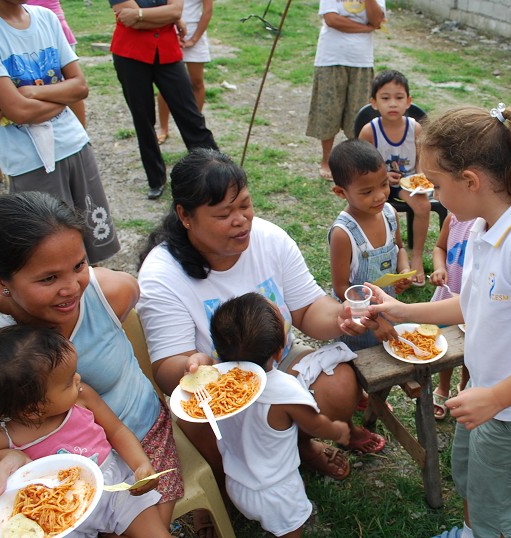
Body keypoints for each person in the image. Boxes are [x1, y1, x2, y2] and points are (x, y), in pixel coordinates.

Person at [365, 105, 511, 537]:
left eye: (436, 184)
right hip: (487, 395)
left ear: (470, 181)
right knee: (470, 478)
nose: (432, 195)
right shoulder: (487, 226)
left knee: (495, 507)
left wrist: (498, 398)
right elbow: (470, 305)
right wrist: (401, 311)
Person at [136, 148, 386, 484]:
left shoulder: (268, 239)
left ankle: (300, 446)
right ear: (185, 215)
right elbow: (165, 371)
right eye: (224, 214)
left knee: (341, 385)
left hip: (277, 364)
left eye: (244, 205)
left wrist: (340, 315)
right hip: (220, 390)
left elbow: (308, 308)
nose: (241, 220)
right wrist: (191, 364)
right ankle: (227, 489)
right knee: (201, 429)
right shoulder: (162, 274)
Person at [0, 191, 183, 528]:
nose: (72, 287)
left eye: (79, 265)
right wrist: (9, 456)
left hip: (142, 438)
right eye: (49, 278)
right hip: (56, 471)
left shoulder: (112, 293)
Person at [0, 325, 171, 538]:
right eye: (69, 381)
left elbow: (117, 431)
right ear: (34, 409)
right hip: (57, 510)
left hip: (114, 486)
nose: (78, 379)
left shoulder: (82, 398)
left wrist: (140, 463)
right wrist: (8, 456)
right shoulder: (4, 435)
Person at [0, 0, 120, 263]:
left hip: (75, 144)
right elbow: (19, 110)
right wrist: (58, 97)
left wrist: (29, 93)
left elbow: (80, 88)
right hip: (31, 161)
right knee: (52, 257)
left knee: (93, 248)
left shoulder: (46, 18)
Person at [210, 294, 351, 537]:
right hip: (277, 492)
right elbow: (314, 425)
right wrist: (336, 431)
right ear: (278, 353)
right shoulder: (284, 389)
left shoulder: (216, 384)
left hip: (236, 481)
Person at [109, 0, 218, 200]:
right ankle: (155, 179)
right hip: (130, 54)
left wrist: (143, 15)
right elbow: (128, 19)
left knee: (190, 115)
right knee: (143, 119)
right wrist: (166, 17)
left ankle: (215, 172)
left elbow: (175, 10)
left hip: (168, 50)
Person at [329, 139, 412, 351]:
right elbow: (341, 288)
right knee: (362, 371)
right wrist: (374, 320)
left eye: (384, 184)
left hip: (389, 311)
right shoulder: (343, 234)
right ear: (341, 192)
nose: (379, 196)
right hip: (359, 323)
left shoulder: (389, 213)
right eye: (366, 192)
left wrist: (403, 272)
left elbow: (399, 248)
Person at [359, 69, 429, 285]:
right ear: (373, 102)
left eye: (399, 98)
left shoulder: (415, 128)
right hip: (378, 185)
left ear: (408, 102)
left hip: (408, 183)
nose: (392, 104)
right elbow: (361, 164)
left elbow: (421, 158)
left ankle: (416, 254)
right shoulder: (369, 131)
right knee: (371, 208)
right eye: (385, 98)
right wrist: (382, 177)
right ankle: (382, 253)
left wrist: (421, 177)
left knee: (423, 206)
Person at [306, 0, 385, 180]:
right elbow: (332, 19)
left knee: (358, 115)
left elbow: (377, 20)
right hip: (331, 57)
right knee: (328, 111)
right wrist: (365, 28)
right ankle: (326, 160)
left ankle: (354, 162)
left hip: (361, 60)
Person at [428, 213, 474, 420]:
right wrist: (439, 267)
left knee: (471, 348)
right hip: (448, 294)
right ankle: (443, 387)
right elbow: (440, 247)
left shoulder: (494, 223)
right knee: (444, 345)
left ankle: (465, 386)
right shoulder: (455, 218)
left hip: (474, 302)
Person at [157, 0, 213, 144]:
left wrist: (194, 40)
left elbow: (207, 11)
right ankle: (163, 128)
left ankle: (195, 128)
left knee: (197, 81)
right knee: (165, 83)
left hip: (195, 30)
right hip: (169, 28)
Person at [27, 0, 87, 127]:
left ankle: (80, 134)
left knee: (66, 86)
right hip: (24, 29)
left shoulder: (46, 17)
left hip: (50, 29)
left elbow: (78, 89)